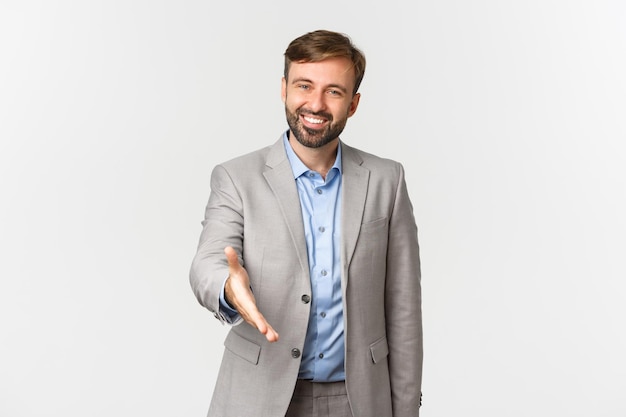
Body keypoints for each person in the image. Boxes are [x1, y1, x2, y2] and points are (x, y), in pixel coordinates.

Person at [190, 29, 423, 417]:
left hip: (361, 400)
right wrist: (229, 288)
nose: (315, 103)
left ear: (353, 104)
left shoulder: (387, 180)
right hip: (258, 397)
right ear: (284, 89)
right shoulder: (236, 177)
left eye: (334, 91)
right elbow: (208, 262)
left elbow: (403, 310)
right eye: (304, 85)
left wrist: (405, 410)